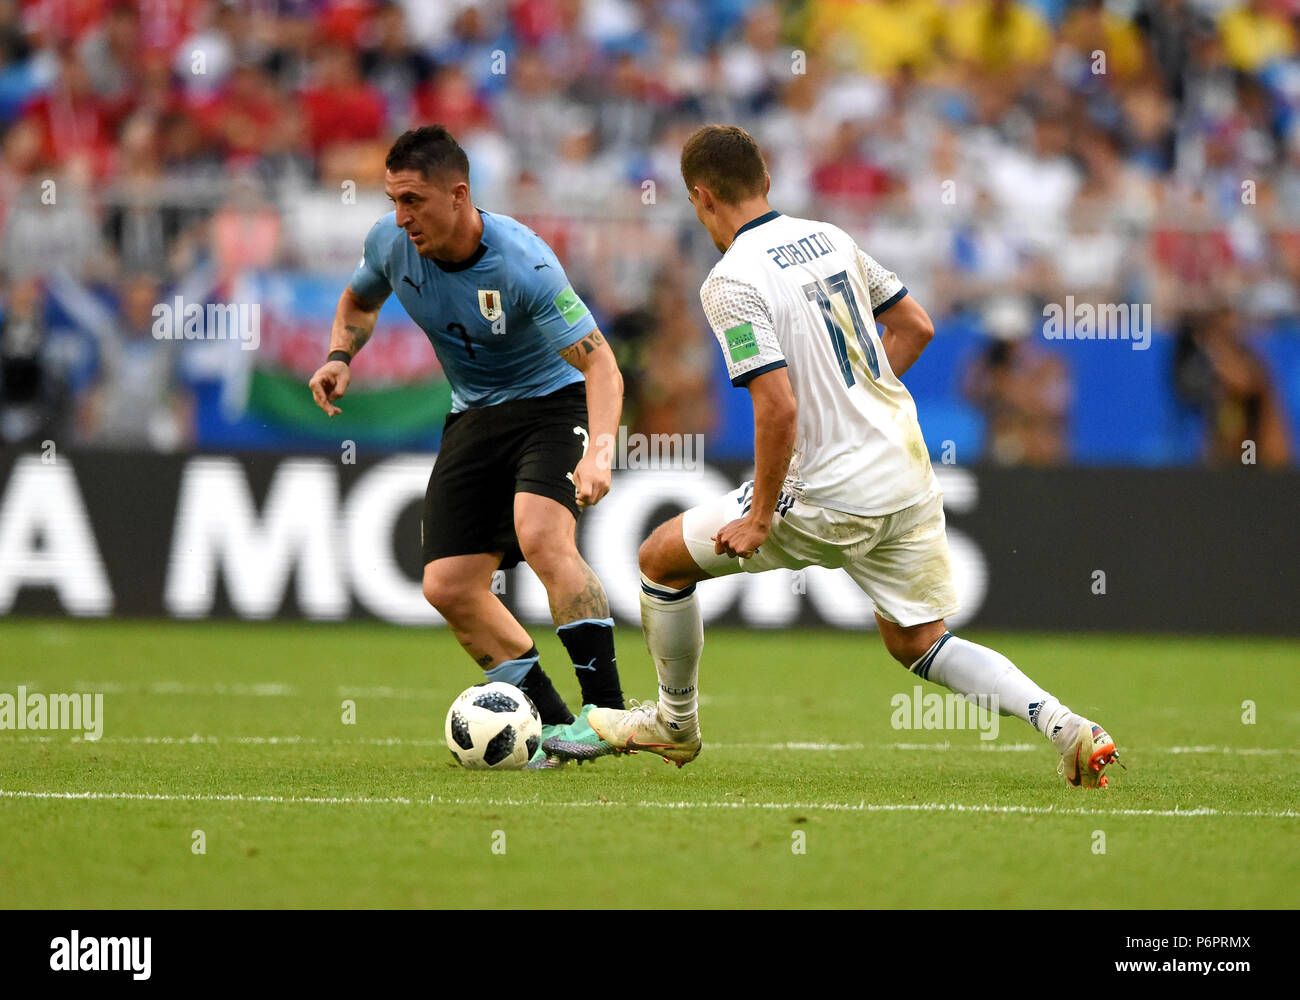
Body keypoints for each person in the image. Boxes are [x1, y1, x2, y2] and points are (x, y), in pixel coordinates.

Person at [555, 125, 1120, 788]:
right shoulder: (832, 238)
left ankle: (675, 726)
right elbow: (916, 326)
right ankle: (1069, 729)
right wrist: (862, 401)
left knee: (659, 560)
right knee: (918, 641)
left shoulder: (730, 280)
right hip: (905, 472)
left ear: (701, 198)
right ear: (765, 181)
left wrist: (762, 514)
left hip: (827, 493)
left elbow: (779, 408)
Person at [307, 125, 625, 768]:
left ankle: (607, 716)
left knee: (540, 536)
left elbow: (602, 367)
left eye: (414, 201)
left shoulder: (523, 262)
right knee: (448, 587)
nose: (401, 217)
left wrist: (599, 451)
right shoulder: (390, 244)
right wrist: (341, 354)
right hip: (474, 414)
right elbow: (357, 299)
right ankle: (558, 732)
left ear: (459, 194)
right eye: (393, 199)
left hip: (550, 403)